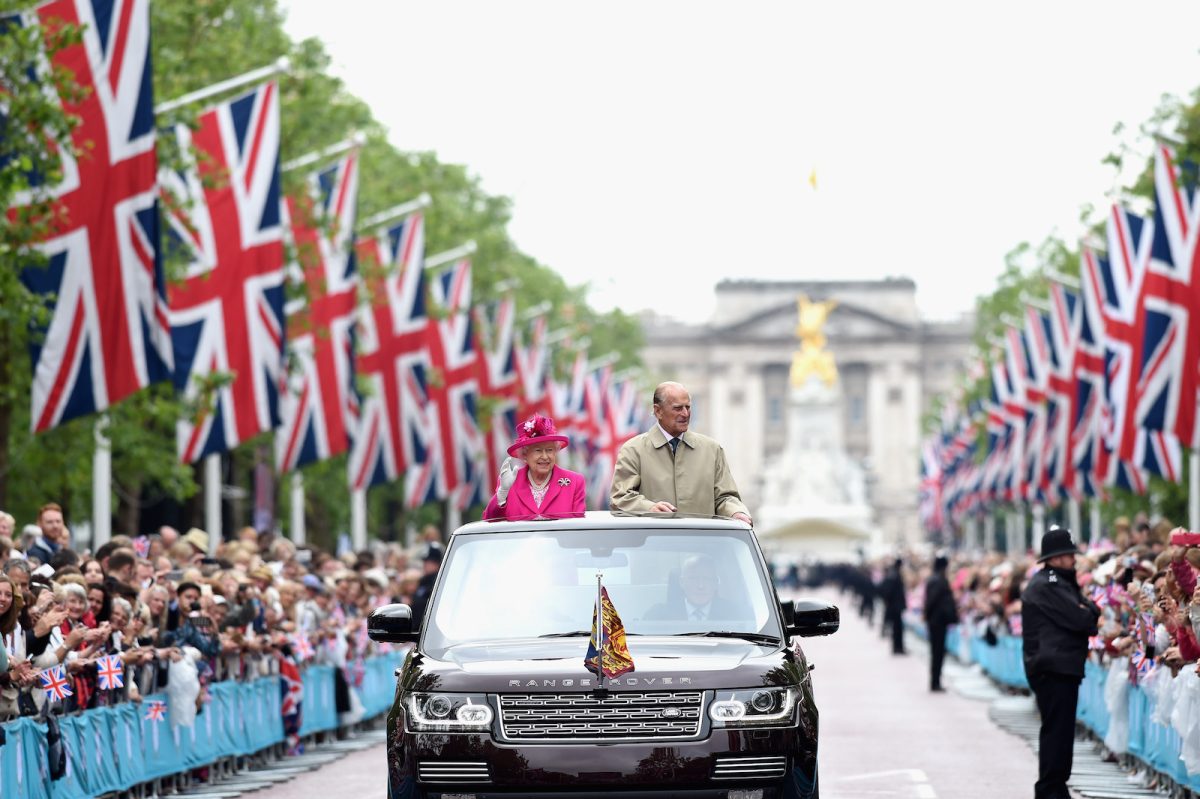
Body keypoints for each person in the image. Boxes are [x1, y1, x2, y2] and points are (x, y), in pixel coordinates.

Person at [1021, 526, 1100, 799]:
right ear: (1055, 558)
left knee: (1061, 731)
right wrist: (1087, 610)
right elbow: (1083, 619)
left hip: (1059, 665)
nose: (1073, 559)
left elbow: (1089, 611)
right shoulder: (1050, 584)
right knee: (1057, 732)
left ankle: (1054, 786)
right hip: (1054, 666)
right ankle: (1050, 789)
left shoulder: (1057, 581)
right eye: (1068, 555)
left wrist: (1087, 610)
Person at [610, 382, 751, 522]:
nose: (685, 414)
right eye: (677, 408)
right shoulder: (633, 450)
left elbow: (725, 497)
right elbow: (620, 498)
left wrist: (736, 512)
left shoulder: (712, 450)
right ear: (658, 411)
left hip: (702, 542)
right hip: (654, 542)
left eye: (688, 407)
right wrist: (649, 508)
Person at [484, 414, 586, 521]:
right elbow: (489, 521)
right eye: (538, 451)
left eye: (549, 450)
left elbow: (578, 527)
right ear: (525, 455)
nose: (545, 456)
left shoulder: (575, 482)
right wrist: (502, 493)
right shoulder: (509, 483)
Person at [644, 554, 740, 621]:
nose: (700, 586)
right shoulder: (658, 616)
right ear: (682, 582)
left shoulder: (735, 615)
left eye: (707, 579)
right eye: (693, 578)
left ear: (715, 583)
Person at [923, 552, 958, 692]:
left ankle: (936, 680)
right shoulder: (939, 580)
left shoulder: (935, 579)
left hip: (936, 621)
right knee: (937, 652)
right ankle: (935, 682)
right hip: (937, 622)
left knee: (937, 652)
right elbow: (931, 601)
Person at [879, 558, 907, 655]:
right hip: (895, 606)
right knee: (897, 628)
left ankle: (897, 647)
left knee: (897, 628)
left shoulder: (892, 574)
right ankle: (898, 647)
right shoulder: (894, 575)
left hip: (894, 605)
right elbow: (888, 591)